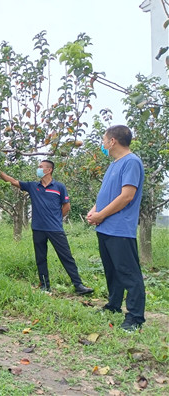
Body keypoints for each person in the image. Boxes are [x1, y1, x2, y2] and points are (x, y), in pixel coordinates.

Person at [0, 161, 94, 295]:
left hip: (55, 228)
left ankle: (78, 285)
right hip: (38, 228)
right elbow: (12, 181)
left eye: (41, 167)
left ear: (49, 170)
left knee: (66, 256)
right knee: (40, 258)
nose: (38, 169)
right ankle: (45, 286)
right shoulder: (32, 186)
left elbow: (66, 206)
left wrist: (57, 218)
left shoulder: (59, 187)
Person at [86, 125, 145, 332]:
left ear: (113, 141)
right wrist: (95, 211)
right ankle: (113, 305)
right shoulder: (114, 165)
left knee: (129, 273)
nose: (102, 144)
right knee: (112, 271)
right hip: (105, 227)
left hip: (120, 228)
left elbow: (127, 196)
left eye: (104, 139)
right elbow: (106, 193)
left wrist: (101, 215)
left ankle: (136, 317)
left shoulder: (132, 162)